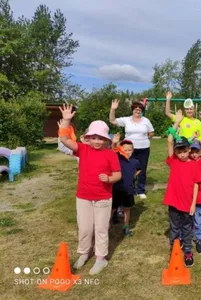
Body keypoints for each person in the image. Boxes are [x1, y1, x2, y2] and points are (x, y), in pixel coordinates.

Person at [58, 104, 121, 275]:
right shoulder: (83, 149)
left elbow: (118, 175)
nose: (96, 141)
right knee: (85, 228)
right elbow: (64, 140)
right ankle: (84, 253)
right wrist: (66, 120)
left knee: (100, 228)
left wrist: (109, 179)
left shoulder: (110, 154)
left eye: (100, 138)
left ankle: (101, 259)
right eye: (93, 137)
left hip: (103, 197)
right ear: (88, 138)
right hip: (83, 196)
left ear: (106, 140)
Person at [163, 112, 201, 267]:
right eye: (178, 151)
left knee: (187, 229)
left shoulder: (194, 165)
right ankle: (174, 248)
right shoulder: (173, 161)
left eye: (184, 151)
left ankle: (187, 251)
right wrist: (176, 123)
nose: (181, 154)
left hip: (188, 204)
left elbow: (196, 185)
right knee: (174, 228)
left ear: (189, 149)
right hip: (173, 202)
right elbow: (169, 140)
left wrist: (193, 204)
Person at [109, 99, 155, 200]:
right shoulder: (126, 120)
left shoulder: (146, 121)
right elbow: (112, 120)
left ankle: (141, 190)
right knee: (128, 169)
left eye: (140, 109)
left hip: (143, 148)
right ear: (132, 110)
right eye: (136, 108)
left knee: (142, 169)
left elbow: (151, 132)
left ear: (142, 111)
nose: (138, 110)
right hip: (127, 150)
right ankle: (130, 188)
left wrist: (146, 138)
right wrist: (113, 109)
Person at [111, 135, 141, 237]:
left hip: (129, 189)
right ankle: (106, 226)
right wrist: (114, 143)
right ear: (120, 150)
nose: (127, 152)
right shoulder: (117, 158)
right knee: (113, 208)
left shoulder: (135, 161)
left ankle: (126, 226)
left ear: (133, 150)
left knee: (127, 208)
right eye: (125, 149)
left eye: (130, 150)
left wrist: (133, 176)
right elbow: (112, 150)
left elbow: (139, 169)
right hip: (117, 188)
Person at [189, 139, 201, 254]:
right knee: (186, 219)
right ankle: (184, 238)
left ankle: (199, 240)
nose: (194, 154)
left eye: (196, 151)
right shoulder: (187, 161)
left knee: (198, 220)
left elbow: (196, 173)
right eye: (192, 152)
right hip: (187, 197)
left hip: (199, 197)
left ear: (200, 151)